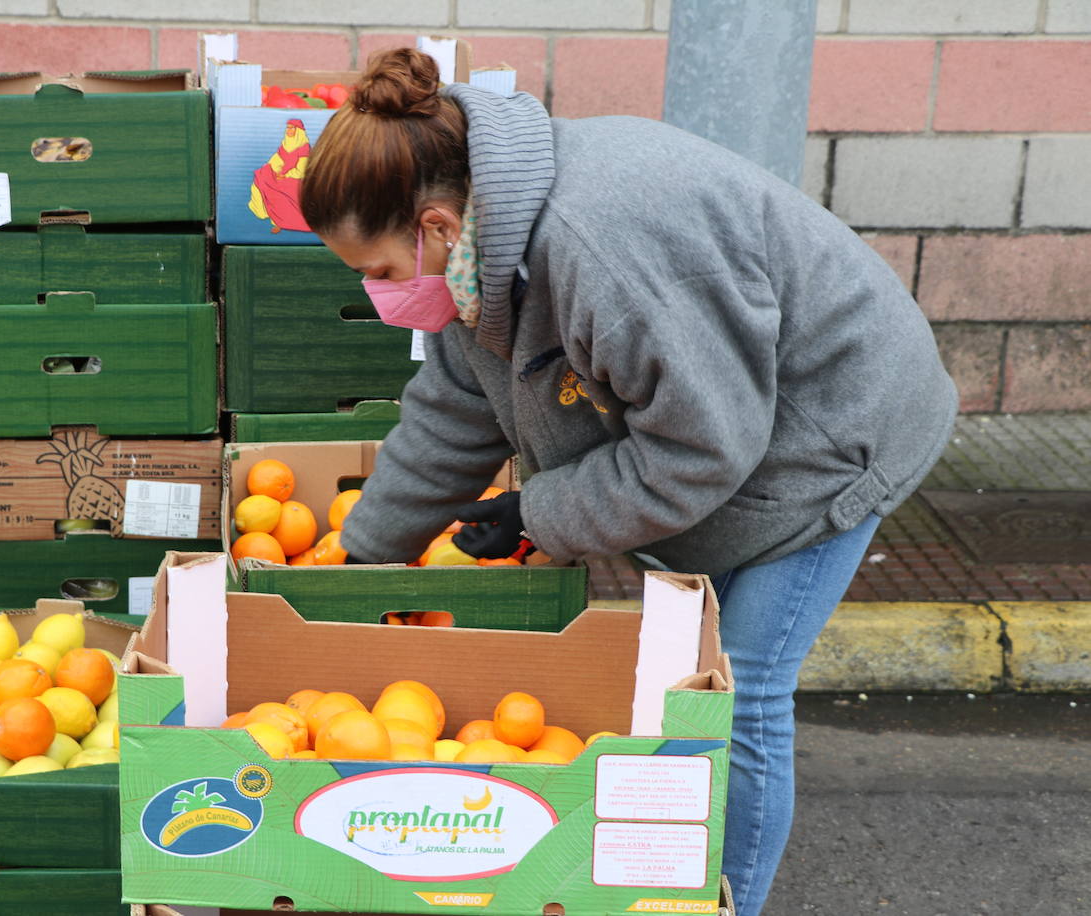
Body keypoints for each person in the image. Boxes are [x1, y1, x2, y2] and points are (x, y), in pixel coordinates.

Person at [300, 48, 956, 915]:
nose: (380, 294)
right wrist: (360, 563)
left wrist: (542, 512)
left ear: (434, 227)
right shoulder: (476, 256)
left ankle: (730, 903)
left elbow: (702, 449)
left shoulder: (603, 246)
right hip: (733, 427)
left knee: (736, 691)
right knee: (688, 671)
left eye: (378, 273)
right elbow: (455, 408)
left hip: (831, 432)